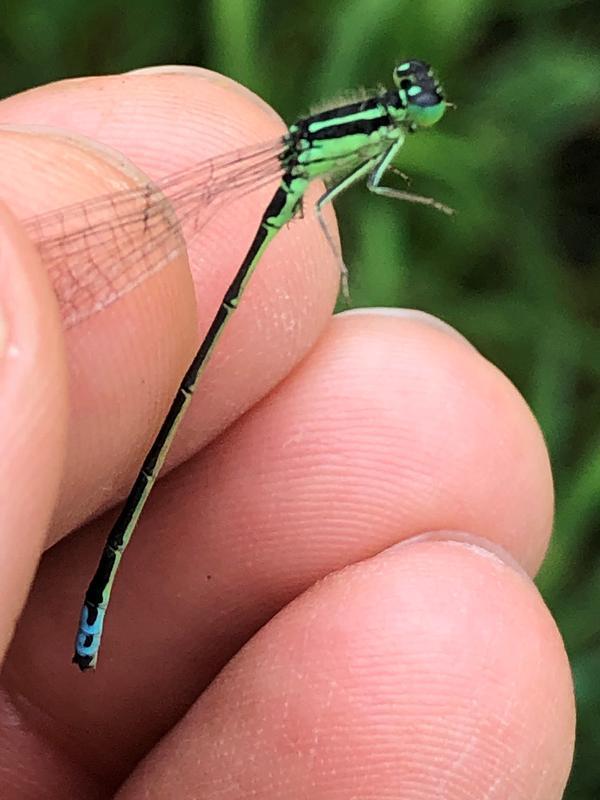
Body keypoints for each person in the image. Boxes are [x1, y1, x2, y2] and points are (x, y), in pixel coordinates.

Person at [0, 66, 574, 798]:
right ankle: (94, 603)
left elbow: (340, 188)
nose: (423, 106)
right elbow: (355, 188)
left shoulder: (375, 131)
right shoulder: (372, 141)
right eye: (415, 98)